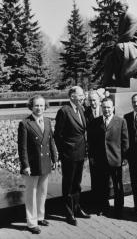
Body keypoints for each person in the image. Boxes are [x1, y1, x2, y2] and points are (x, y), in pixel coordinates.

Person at [18, 95, 58, 234]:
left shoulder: (47, 121)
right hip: (32, 164)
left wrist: (55, 158)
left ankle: (40, 217)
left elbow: (51, 141)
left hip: (46, 162)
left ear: (45, 106)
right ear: (31, 106)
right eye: (36, 105)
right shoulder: (25, 123)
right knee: (31, 194)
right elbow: (22, 147)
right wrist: (25, 165)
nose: (39, 108)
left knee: (42, 192)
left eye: (41, 105)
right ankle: (31, 222)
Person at [54, 86, 90, 226]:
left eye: (82, 94)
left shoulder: (80, 108)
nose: (83, 97)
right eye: (80, 95)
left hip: (80, 152)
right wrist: (63, 153)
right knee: (68, 185)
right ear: (72, 95)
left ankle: (77, 208)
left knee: (77, 184)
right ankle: (69, 213)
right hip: (69, 154)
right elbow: (58, 135)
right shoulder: (64, 111)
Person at [88, 97, 129, 218]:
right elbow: (91, 141)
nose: (106, 110)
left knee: (118, 186)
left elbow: (125, 141)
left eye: (109, 107)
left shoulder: (121, 121)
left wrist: (125, 157)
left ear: (113, 108)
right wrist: (92, 157)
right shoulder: (96, 122)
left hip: (116, 159)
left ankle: (118, 209)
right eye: (104, 107)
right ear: (101, 108)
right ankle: (103, 207)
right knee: (102, 185)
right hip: (101, 159)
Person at [103, 1, 137, 87]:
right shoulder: (122, 19)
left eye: (120, 7)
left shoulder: (131, 18)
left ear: (126, 8)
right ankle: (108, 81)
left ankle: (131, 68)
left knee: (119, 47)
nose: (118, 9)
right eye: (117, 7)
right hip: (129, 44)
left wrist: (116, 44)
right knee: (109, 57)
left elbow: (128, 35)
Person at [84, 90, 103, 204]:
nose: (93, 102)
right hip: (92, 150)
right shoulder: (85, 112)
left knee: (105, 177)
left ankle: (103, 202)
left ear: (99, 100)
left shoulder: (106, 109)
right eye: (90, 100)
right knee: (94, 176)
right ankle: (96, 201)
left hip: (106, 149)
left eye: (95, 100)